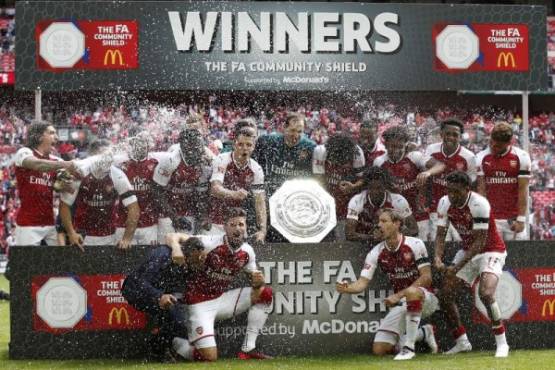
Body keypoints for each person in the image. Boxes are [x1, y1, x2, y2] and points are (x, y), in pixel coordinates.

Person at [168, 208, 273, 361]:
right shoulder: (209, 242)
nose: (237, 228)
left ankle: (248, 349)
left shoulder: (247, 251)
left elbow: (255, 281)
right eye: (233, 224)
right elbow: (172, 235)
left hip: (222, 300)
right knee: (209, 359)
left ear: (246, 227)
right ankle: (176, 343)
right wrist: (176, 249)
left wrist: (259, 281)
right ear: (225, 227)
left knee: (265, 293)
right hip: (199, 304)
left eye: (241, 224)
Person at [336, 209, 438, 361]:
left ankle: (408, 348)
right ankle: (424, 333)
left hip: (426, 300)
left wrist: (398, 295)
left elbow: (427, 277)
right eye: (379, 222)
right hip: (401, 304)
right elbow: (362, 283)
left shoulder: (415, 244)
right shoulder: (376, 252)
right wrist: (347, 288)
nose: (379, 225)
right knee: (379, 349)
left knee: (411, 291)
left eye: (384, 221)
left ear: (397, 224)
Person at [434, 171, 509, 357]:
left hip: (491, 250)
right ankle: (462, 342)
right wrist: (437, 257)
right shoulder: (444, 202)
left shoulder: (479, 203)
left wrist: (456, 267)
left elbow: (480, 242)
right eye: (449, 191)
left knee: (486, 293)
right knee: (445, 295)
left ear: (467, 189)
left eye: (456, 192)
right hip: (468, 251)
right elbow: (441, 234)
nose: (452, 195)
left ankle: (502, 343)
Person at [121, 237, 206, 362]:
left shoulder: (185, 261)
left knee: (178, 317)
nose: (200, 261)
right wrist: (159, 296)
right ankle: (157, 351)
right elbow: (141, 282)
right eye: (198, 257)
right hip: (135, 291)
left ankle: (159, 350)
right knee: (173, 315)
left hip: (157, 291)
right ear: (192, 252)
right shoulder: (163, 254)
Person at [59, 141, 139, 249]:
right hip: (83, 236)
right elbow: (64, 205)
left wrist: (127, 238)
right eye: (103, 155)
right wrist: (71, 233)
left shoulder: (117, 175)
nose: (107, 160)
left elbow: (134, 207)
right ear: (92, 157)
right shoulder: (80, 173)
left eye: (110, 156)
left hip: (110, 235)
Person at [374, 125, 446, 241]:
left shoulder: (414, 157)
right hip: (393, 217)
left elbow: (440, 165)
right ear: (386, 145)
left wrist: (428, 173)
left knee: (421, 248)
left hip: (418, 214)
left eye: (400, 147)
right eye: (392, 146)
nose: (396, 150)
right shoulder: (379, 162)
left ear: (406, 145)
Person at [13, 121, 79, 246]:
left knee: (56, 264)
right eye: (52, 133)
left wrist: (66, 183)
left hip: (50, 224)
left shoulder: (56, 161)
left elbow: (70, 189)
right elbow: (38, 164)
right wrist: (66, 164)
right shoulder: (24, 152)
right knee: (28, 264)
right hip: (28, 225)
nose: (57, 137)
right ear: (38, 136)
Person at [253, 113, 316, 241]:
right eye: (292, 130)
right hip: (267, 200)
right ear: (284, 128)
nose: (296, 135)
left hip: (292, 204)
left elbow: (316, 178)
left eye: (300, 131)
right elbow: (253, 163)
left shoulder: (310, 147)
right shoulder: (267, 141)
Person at [210, 128, 266, 243]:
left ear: (253, 147)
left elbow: (260, 202)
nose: (244, 148)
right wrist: (233, 194)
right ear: (234, 144)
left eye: (248, 145)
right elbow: (215, 189)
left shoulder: (256, 169)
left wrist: (262, 230)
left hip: (237, 224)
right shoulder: (222, 159)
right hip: (215, 220)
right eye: (240, 144)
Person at [476, 122, 531, 240]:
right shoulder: (481, 157)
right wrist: (482, 218)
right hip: (492, 219)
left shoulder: (522, 157)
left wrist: (521, 219)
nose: (493, 147)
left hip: (513, 219)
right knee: (491, 257)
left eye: (498, 146)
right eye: (491, 143)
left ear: (508, 143)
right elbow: (481, 191)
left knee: (518, 256)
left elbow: (523, 190)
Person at [425, 118, 476, 241]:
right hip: (436, 210)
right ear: (441, 134)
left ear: (460, 137)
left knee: (462, 245)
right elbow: (427, 174)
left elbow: (471, 185)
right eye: (448, 134)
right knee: (439, 244)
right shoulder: (431, 150)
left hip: (459, 211)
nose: (451, 137)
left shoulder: (469, 157)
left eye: (455, 135)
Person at [155, 129, 212, 238]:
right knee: (167, 246)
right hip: (166, 211)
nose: (200, 151)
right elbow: (156, 190)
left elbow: (201, 194)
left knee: (189, 246)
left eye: (201, 147)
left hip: (188, 210)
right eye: (195, 147)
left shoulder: (205, 163)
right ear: (184, 147)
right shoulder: (171, 160)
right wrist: (174, 217)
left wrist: (202, 217)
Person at [313, 134, 365, 239]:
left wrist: (354, 186)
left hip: (347, 200)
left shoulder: (357, 152)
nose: (339, 164)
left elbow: (363, 179)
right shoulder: (320, 151)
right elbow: (318, 179)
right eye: (336, 161)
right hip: (326, 197)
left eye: (343, 161)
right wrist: (328, 199)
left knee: (342, 238)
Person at [346, 166, 417, 243]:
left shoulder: (398, 201)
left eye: (379, 188)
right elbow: (349, 234)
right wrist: (373, 238)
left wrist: (389, 234)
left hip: (392, 243)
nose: (375, 192)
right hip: (365, 243)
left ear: (385, 187)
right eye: (372, 188)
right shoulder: (357, 201)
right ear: (367, 187)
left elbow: (414, 230)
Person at [114, 133, 161, 245]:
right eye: (137, 144)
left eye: (143, 144)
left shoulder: (155, 163)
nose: (140, 147)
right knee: (123, 257)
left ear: (148, 147)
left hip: (148, 223)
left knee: (149, 259)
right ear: (131, 146)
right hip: (123, 222)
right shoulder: (121, 165)